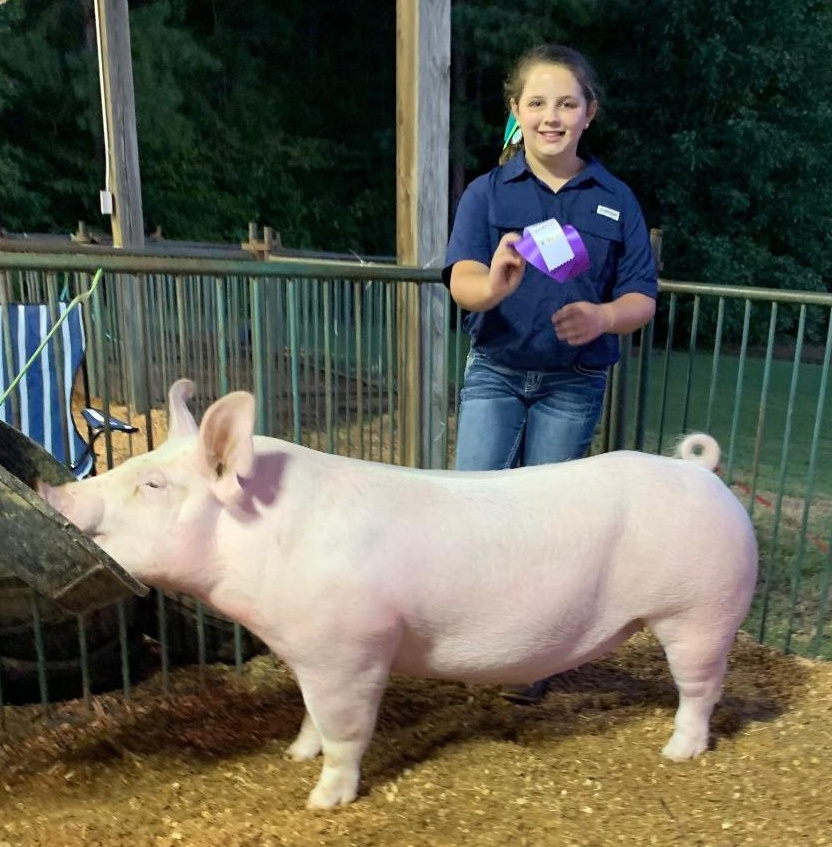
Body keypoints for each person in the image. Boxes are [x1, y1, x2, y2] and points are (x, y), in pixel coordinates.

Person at [442, 44, 658, 703]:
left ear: (590, 113)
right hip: (497, 373)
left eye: (567, 103)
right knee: (471, 512)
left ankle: (530, 659)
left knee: (545, 530)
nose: (551, 116)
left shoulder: (616, 200)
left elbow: (641, 298)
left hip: (573, 384)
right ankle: (467, 643)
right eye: (537, 103)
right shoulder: (487, 192)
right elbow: (461, 280)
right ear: (516, 110)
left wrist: (602, 317)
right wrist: (493, 286)